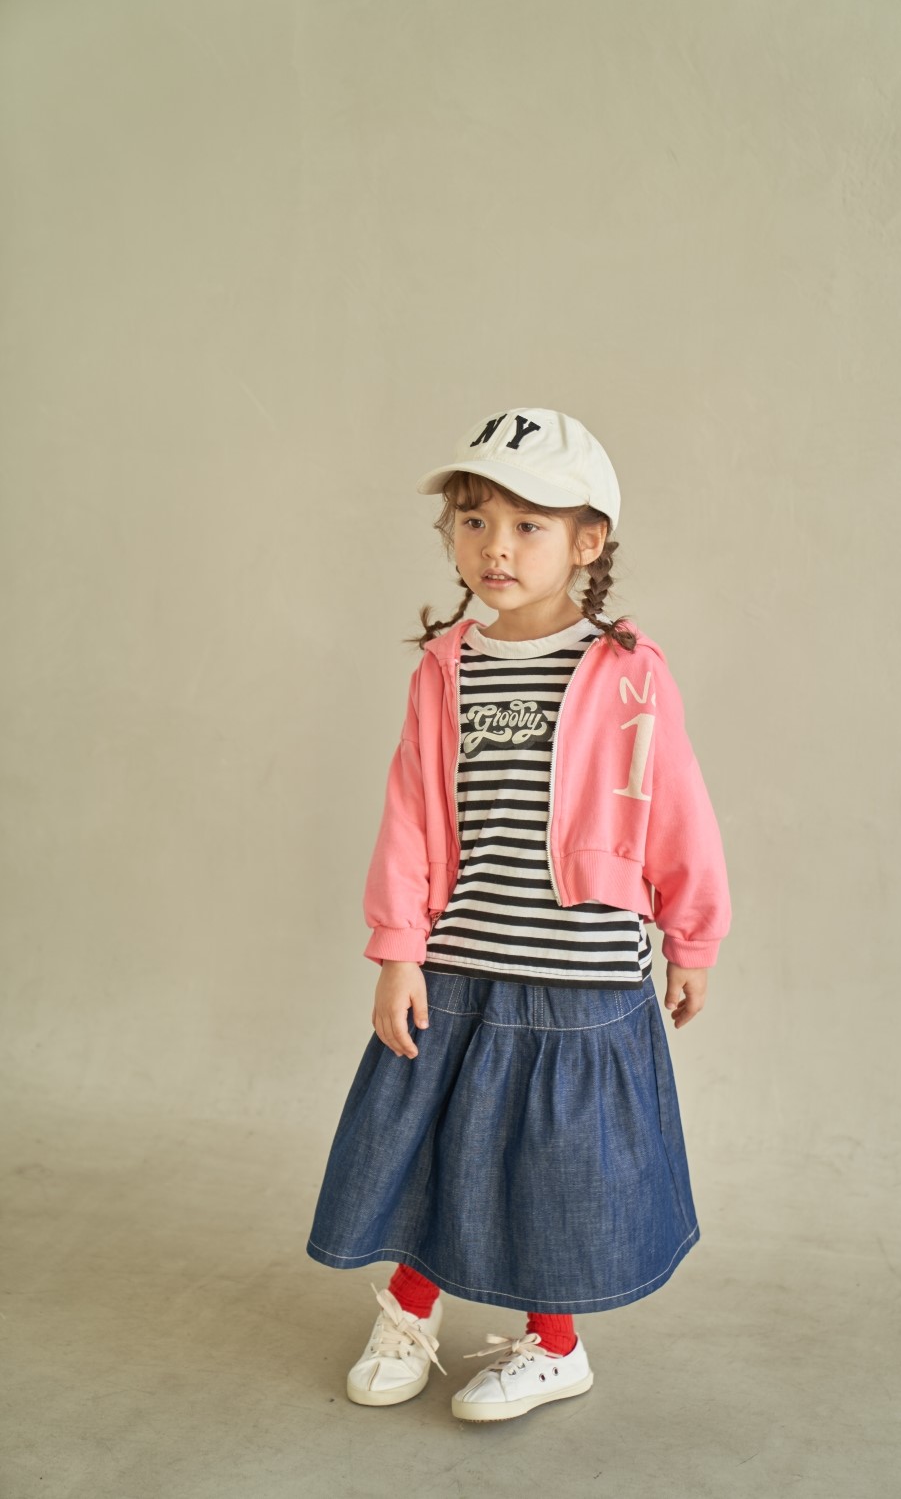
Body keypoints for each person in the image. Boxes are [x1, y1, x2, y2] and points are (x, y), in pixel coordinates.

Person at [305, 406, 732, 1423]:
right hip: (460, 960)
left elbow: (677, 806)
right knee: (434, 1143)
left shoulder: (627, 670)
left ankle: (555, 1347)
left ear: (587, 543)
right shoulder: (445, 668)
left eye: (528, 525)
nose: (495, 547)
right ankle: (412, 1312)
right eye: (474, 521)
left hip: (579, 972)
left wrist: (693, 937)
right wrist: (398, 949)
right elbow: (410, 815)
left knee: (555, 1166)